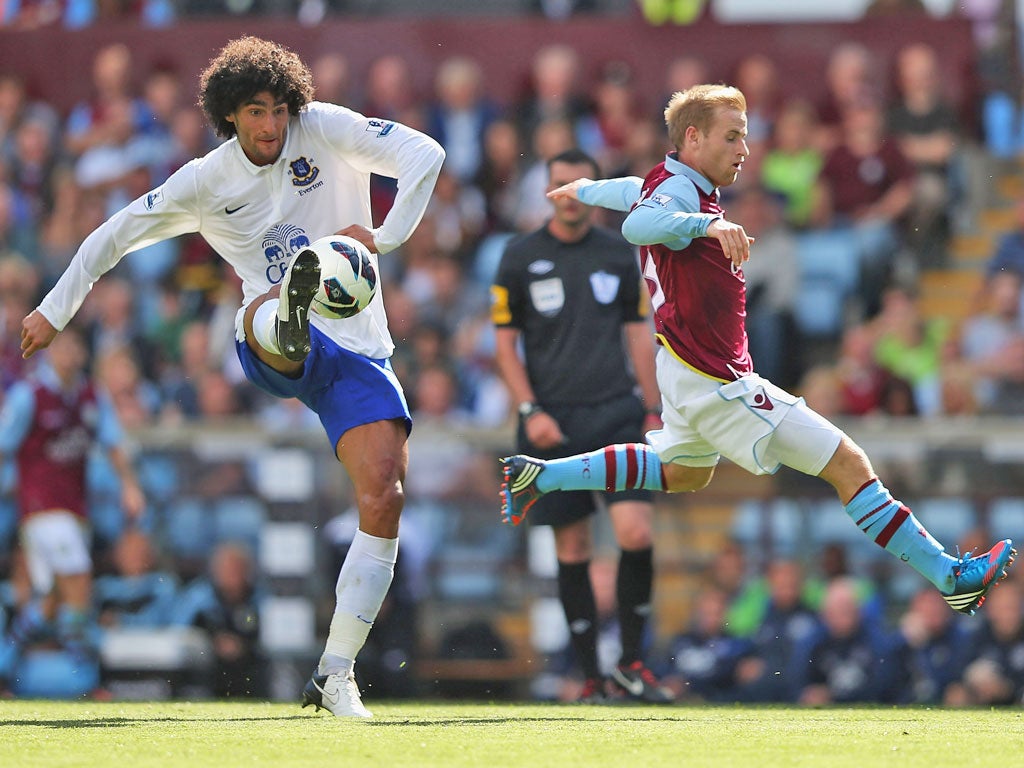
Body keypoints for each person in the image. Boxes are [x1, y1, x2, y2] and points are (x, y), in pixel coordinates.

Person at [19, 36, 445, 718]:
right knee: (268, 316)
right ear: (230, 116)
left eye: (278, 109)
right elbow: (117, 233)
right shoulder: (205, 179)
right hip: (266, 337)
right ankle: (291, 310)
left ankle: (334, 673)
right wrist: (54, 308)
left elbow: (427, 154)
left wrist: (385, 237)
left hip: (359, 348)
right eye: (254, 112)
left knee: (386, 494)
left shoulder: (326, 128)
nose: (271, 125)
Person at [500, 84, 1014, 629]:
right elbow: (638, 225)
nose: (745, 147)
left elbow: (634, 195)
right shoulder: (682, 199)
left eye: (745, 135)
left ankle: (543, 477)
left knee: (683, 473)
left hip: (683, 370)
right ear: (693, 138)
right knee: (849, 464)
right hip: (715, 379)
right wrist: (707, 225)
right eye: (733, 135)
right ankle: (950, 577)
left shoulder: (668, 181)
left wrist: (587, 189)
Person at [491, 147, 671, 704]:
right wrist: (529, 411)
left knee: (635, 534)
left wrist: (653, 407)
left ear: (597, 191)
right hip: (553, 421)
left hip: (617, 411)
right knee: (571, 548)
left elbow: (639, 334)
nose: (570, 195)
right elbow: (504, 345)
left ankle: (634, 665)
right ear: (546, 190)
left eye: (582, 186)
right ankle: (590, 677)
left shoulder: (621, 254)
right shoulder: (518, 256)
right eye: (561, 185)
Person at [0, 324, 145, 691]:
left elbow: (113, 442)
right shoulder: (28, 396)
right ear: (49, 351)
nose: (68, 353)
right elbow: (4, 444)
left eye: (74, 346)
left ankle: (4, 665)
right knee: (79, 579)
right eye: (61, 346)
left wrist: (129, 486)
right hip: (41, 510)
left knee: (51, 601)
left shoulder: (91, 396)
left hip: (74, 511)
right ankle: (91, 681)